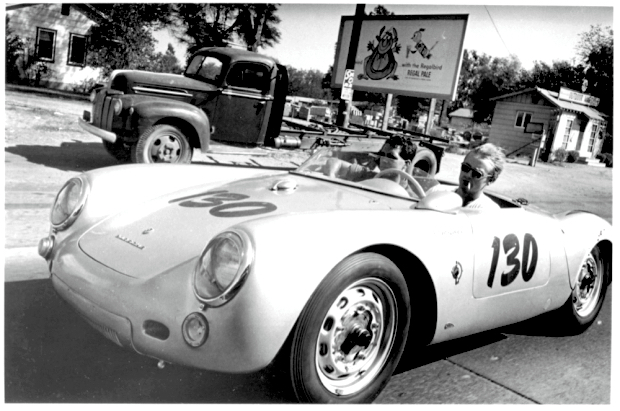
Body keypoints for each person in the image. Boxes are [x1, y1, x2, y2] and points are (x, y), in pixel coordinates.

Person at [429, 143, 505, 209]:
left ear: (491, 180)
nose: (468, 175)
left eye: (477, 173)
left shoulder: (488, 210)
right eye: (465, 168)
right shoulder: (437, 191)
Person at [323, 135, 415, 181]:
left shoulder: (410, 195)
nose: (384, 160)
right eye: (382, 154)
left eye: (391, 157)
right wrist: (330, 177)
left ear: (406, 164)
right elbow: (333, 162)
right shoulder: (370, 175)